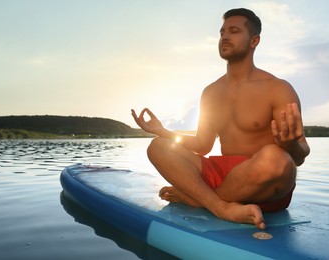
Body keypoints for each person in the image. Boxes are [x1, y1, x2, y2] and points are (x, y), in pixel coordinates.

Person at [132, 8, 310, 230]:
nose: (225, 37)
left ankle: (199, 199)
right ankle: (221, 206)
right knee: (158, 147)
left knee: (277, 159)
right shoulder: (211, 92)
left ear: (254, 40)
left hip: (263, 182)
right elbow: (202, 145)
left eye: (234, 31)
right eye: (222, 32)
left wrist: (291, 144)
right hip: (221, 175)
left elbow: (301, 154)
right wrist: (163, 131)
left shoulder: (278, 88)